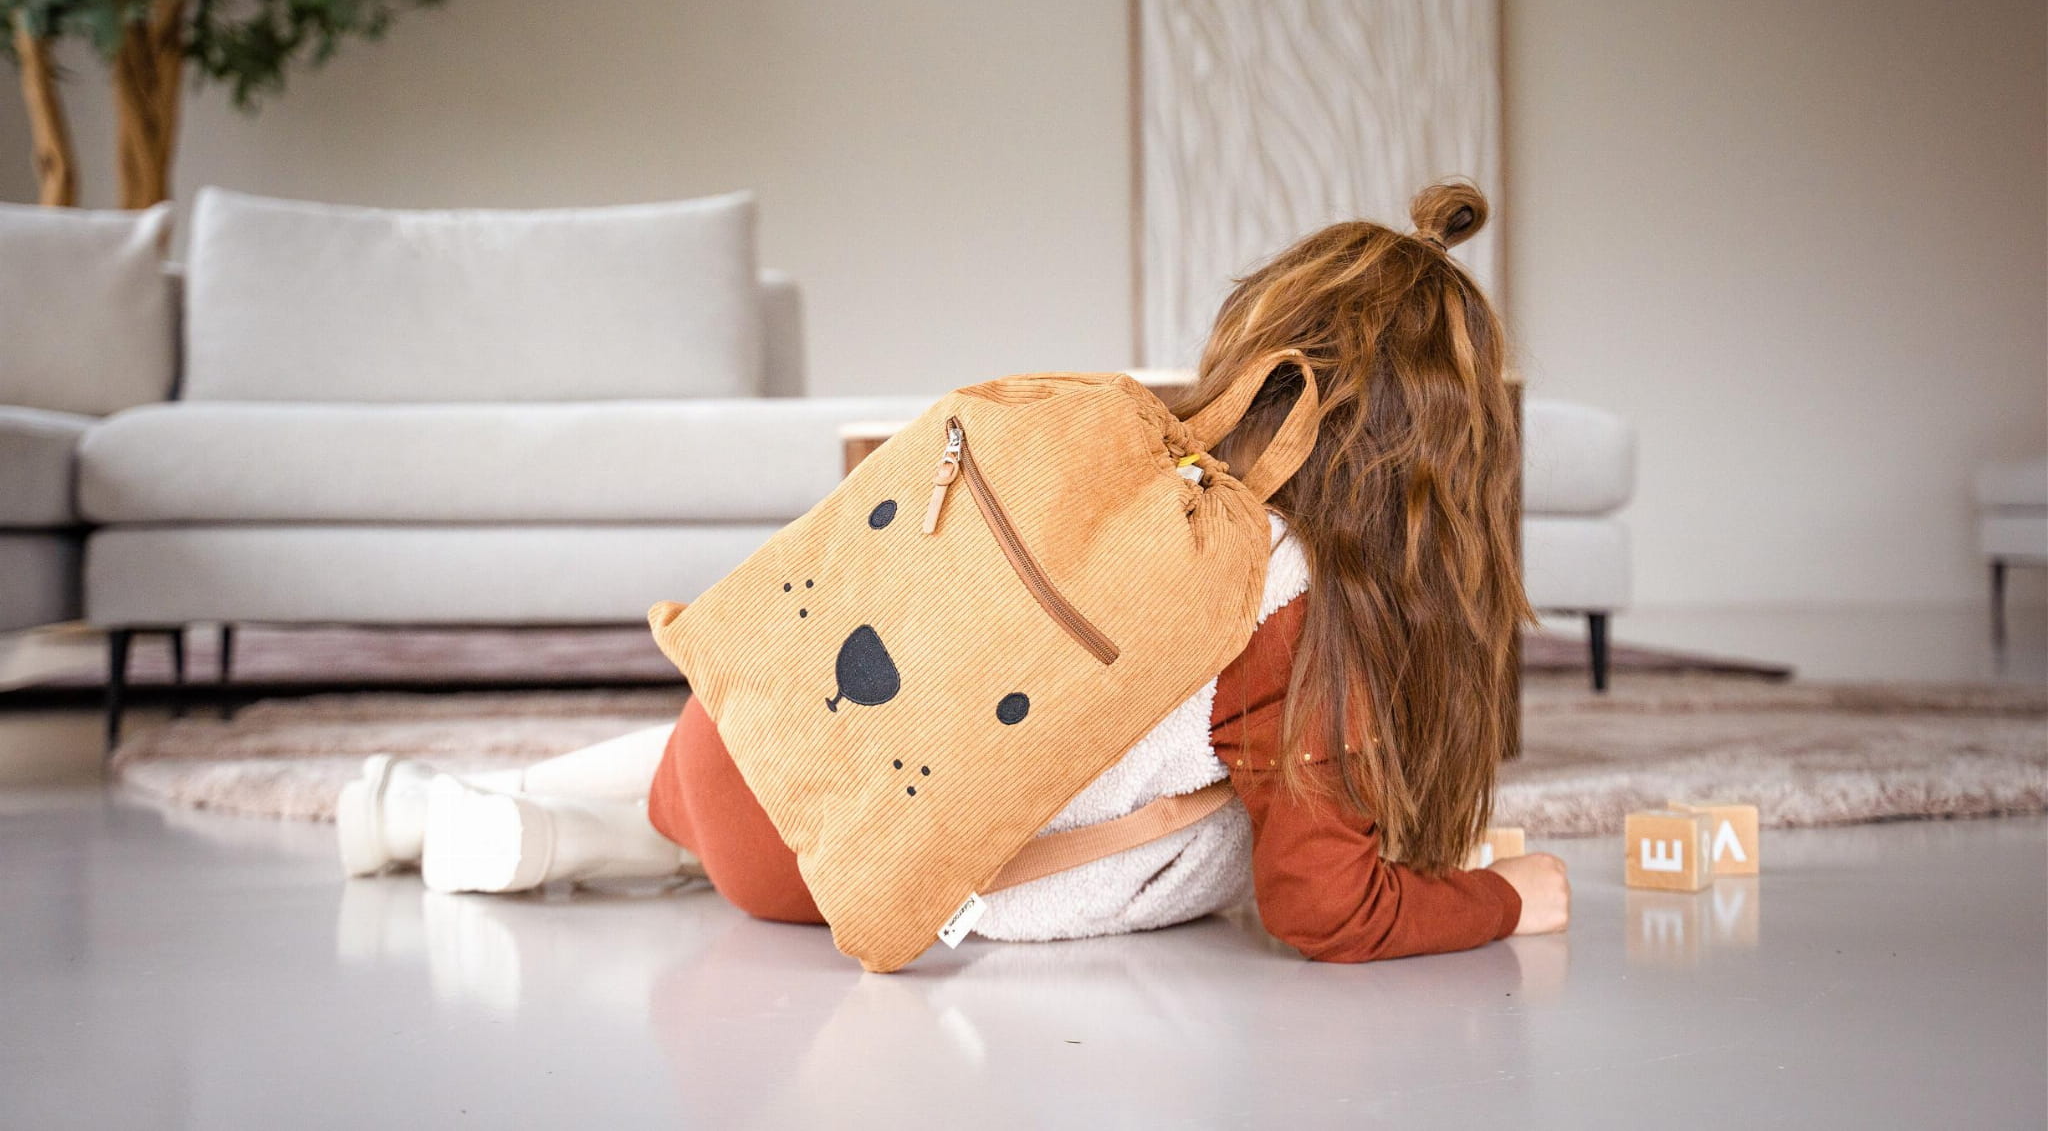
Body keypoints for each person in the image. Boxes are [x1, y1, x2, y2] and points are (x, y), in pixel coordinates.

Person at [336, 178, 1571, 961]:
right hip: (812, 870)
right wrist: (1514, 895)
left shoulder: (1124, 457)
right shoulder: (1292, 607)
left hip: (742, 724)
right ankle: (541, 831)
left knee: (725, 776)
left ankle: (495, 814)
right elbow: (1326, 905)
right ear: (1442, 469)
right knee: (755, 829)